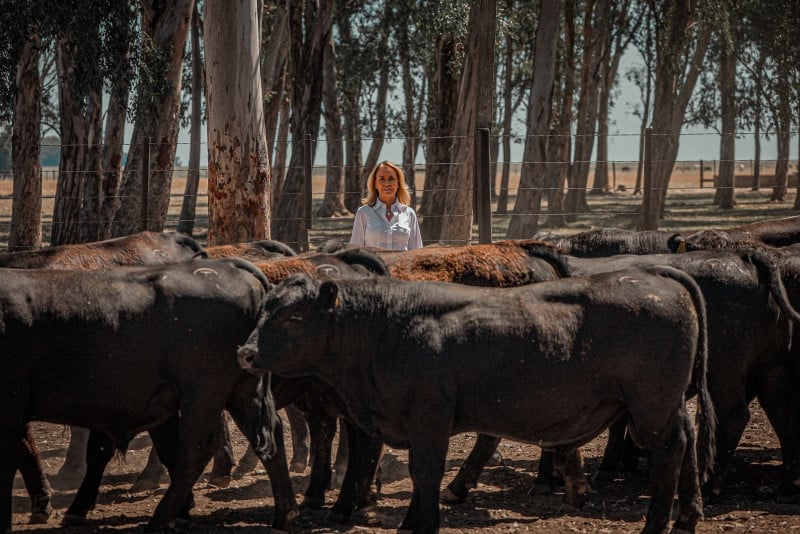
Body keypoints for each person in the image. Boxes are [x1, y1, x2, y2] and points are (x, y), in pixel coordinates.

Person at [349, 160, 423, 250]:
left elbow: (416, 250)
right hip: (373, 264)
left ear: (398, 183)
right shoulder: (363, 212)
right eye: (382, 179)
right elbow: (355, 249)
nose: (387, 184)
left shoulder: (409, 213)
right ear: (375, 184)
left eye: (391, 179)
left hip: (402, 264)